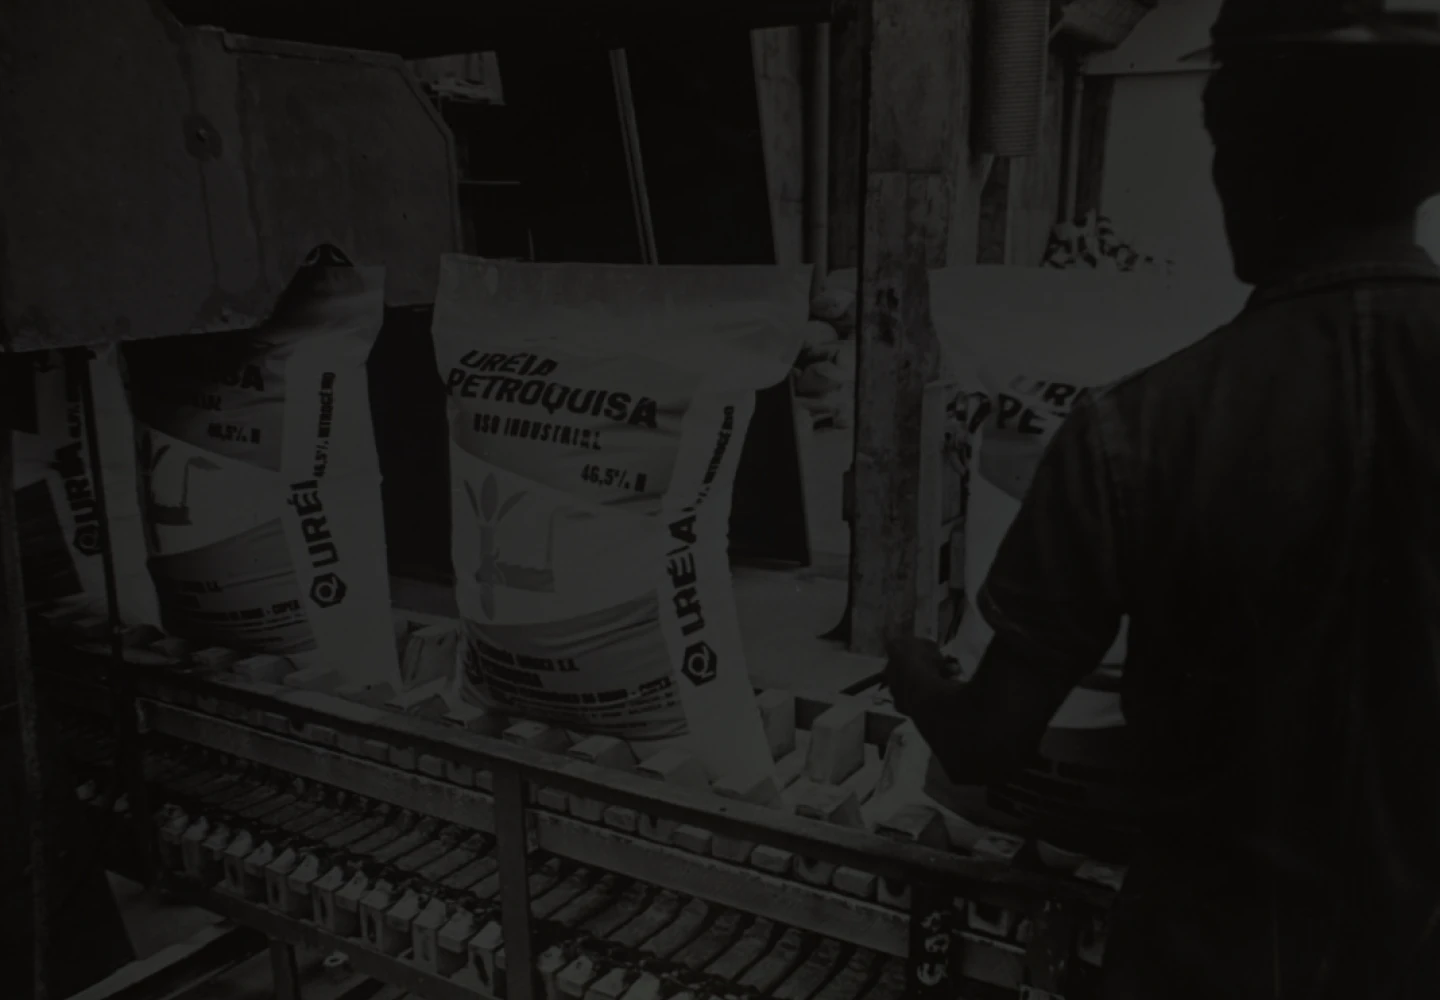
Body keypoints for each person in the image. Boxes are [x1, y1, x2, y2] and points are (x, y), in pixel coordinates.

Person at [884, 2, 1440, 997]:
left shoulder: (1137, 430)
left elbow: (987, 744)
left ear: (1246, 160)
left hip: (1208, 959)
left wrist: (913, 670)